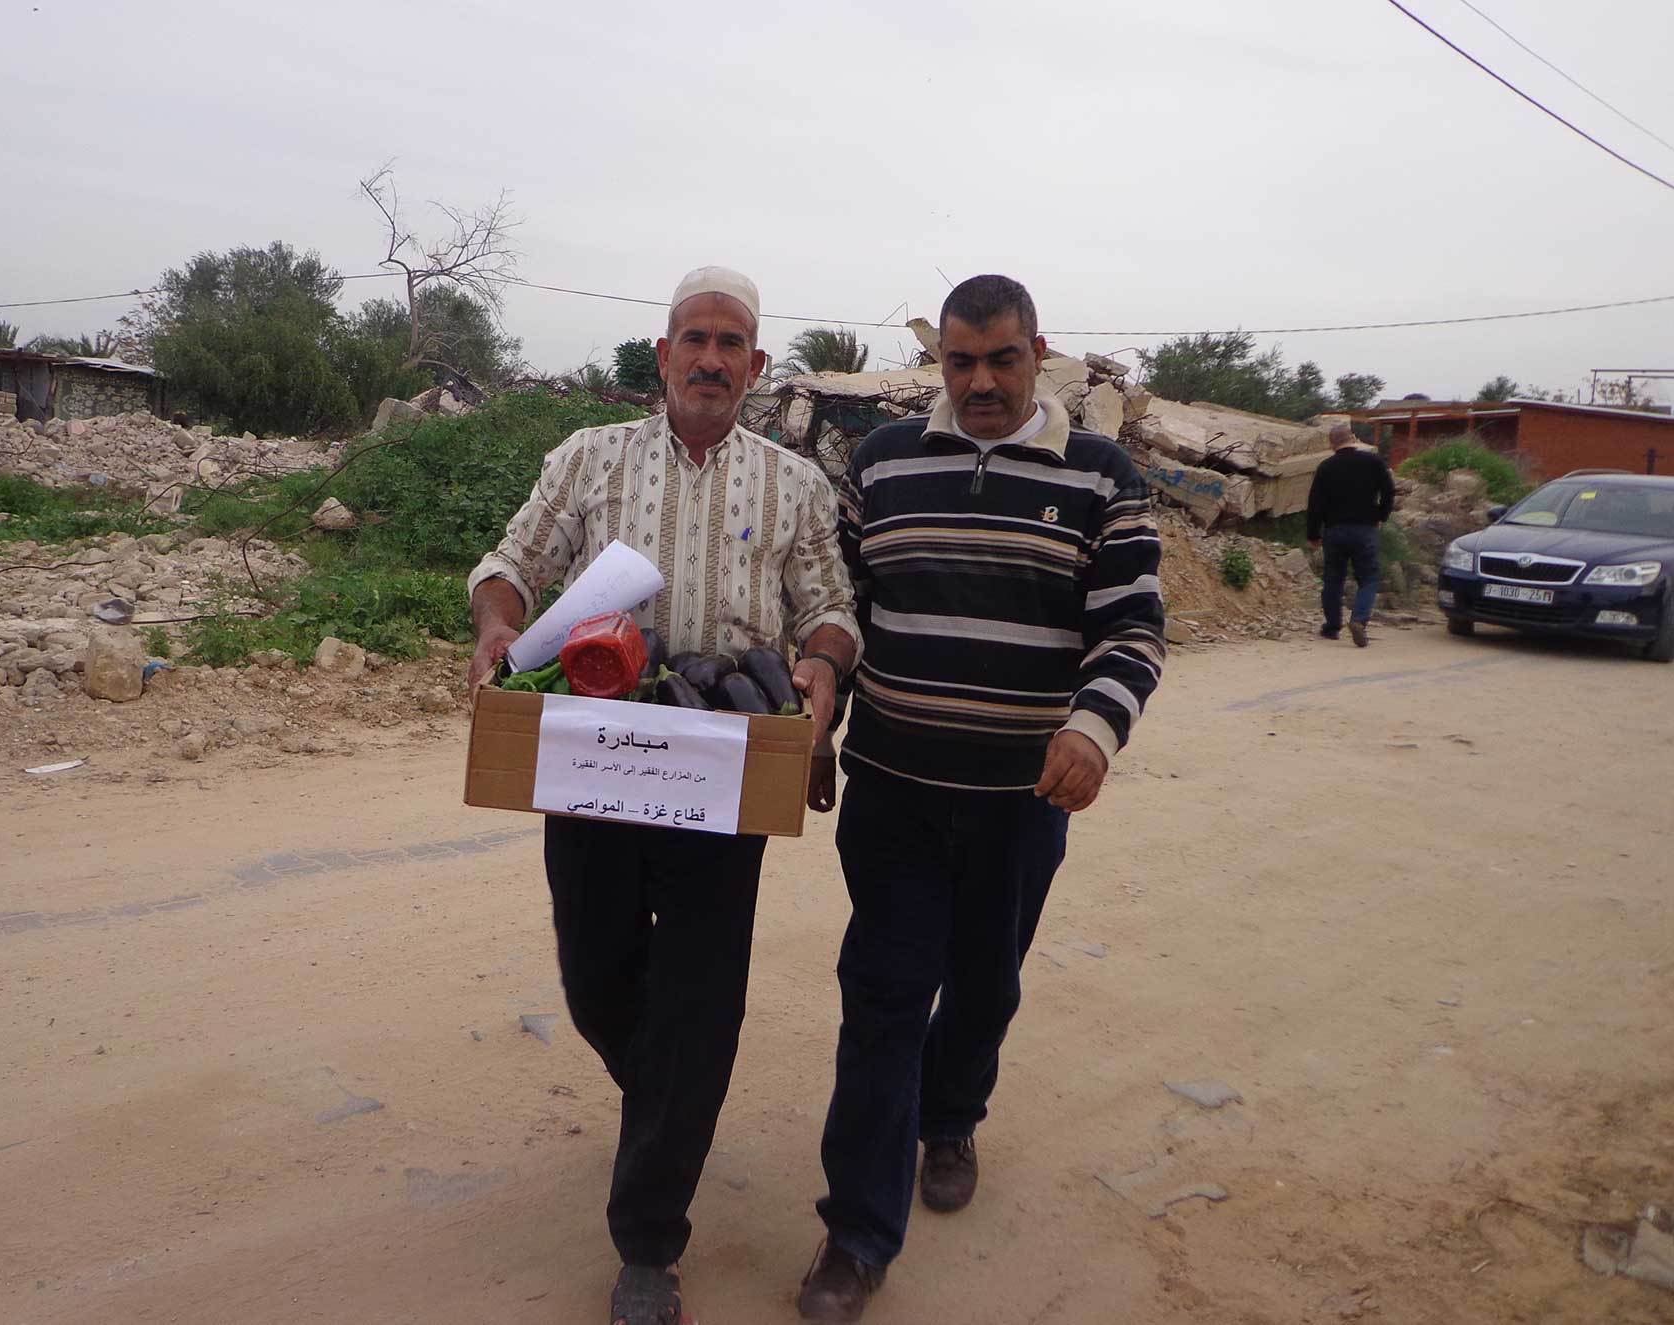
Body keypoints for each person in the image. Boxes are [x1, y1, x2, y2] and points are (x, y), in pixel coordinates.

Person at [466, 266, 860, 1325]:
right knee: (596, 974)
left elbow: (828, 607)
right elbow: (508, 562)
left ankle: (647, 1241)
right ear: (661, 355)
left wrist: (821, 664)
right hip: (597, 754)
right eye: (693, 338)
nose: (710, 359)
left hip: (725, 767)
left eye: (731, 343)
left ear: (757, 367)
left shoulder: (793, 484)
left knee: (696, 997)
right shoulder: (587, 457)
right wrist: (497, 627)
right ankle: (668, 1100)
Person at [797, 275, 1166, 1321]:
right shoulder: (880, 462)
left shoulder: (1100, 477)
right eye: (959, 362)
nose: (980, 382)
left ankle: (950, 1114)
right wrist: (817, 706)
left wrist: (1093, 728)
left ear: (1035, 352)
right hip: (892, 790)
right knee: (879, 994)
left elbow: (1130, 627)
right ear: (940, 362)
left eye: (1000, 359)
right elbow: (841, 605)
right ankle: (855, 1234)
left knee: (983, 979)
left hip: (1019, 797)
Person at [1305, 423, 1396, 647]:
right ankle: (1359, 620)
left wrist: (1313, 534)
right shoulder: (1373, 462)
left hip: (1334, 531)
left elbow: (1315, 504)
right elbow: (1389, 490)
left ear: (1331, 443)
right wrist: (1381, 516)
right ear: (1353, 438)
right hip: (1365, 530)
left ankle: (1331, 628)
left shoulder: (1326, 467)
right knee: (1369, 577)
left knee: (1333, 579)